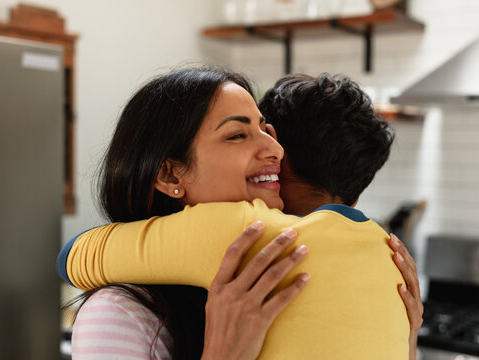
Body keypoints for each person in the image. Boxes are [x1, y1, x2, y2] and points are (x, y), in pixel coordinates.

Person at [60, 68, 422, 359]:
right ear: (170, 173)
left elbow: (73, 256)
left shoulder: (288, 275)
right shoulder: (120, 314)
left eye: (266, 130)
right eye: (237, 135)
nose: (274, 148)